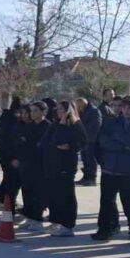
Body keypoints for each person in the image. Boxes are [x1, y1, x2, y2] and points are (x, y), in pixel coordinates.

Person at [92, 95, 130, 246]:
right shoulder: (111, 123)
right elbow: (102, 142)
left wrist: (119, 139)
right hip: (109, 170)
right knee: (106, 203)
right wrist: (124, 145)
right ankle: (105, 229)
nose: (126, 110)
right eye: (124, 107)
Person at [41, 101, 86, 237]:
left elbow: (82, 141)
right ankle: (56, 221)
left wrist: (71, 146)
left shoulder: (75, 125)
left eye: (62, 109)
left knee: (66, 195)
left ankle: (67, 225)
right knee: (54, 194)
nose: (59, 111)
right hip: (52, 164)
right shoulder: (54, 124)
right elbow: (46, 141)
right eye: (58, 108)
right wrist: (55, 143)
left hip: (66, 165)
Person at [17, 102, 51, 232]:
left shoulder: (47, 127)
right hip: (27, 164)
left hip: (40, 165)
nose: (32, 113)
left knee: (38, 193)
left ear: (43, 112)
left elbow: (42, 145)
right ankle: (30, 217)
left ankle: (37, 219)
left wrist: (31, 144)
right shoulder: (29, 126)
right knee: (27, 191)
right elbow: (22, 141)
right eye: (31, 111)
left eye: (36, 110)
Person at [0, 97, 23, 215]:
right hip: (9, 153)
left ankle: (2, 200)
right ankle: (8, 203)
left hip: (2, 151)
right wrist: (13, 157)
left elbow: (0, 134)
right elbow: (11, 139)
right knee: (12, 180)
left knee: (7, 177)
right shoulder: (14, 120)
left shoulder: (5, 118)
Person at [74, 96, 102, 186]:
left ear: (83, 104)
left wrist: (87, 136)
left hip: (91, 140)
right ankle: (86, 177)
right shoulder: (83, 112)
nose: (78, 108)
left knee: (90, 159)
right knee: (85, 159)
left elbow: (95, 126)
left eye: (79, 106)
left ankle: (91, 178)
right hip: (84, 140)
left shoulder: (94, 111)